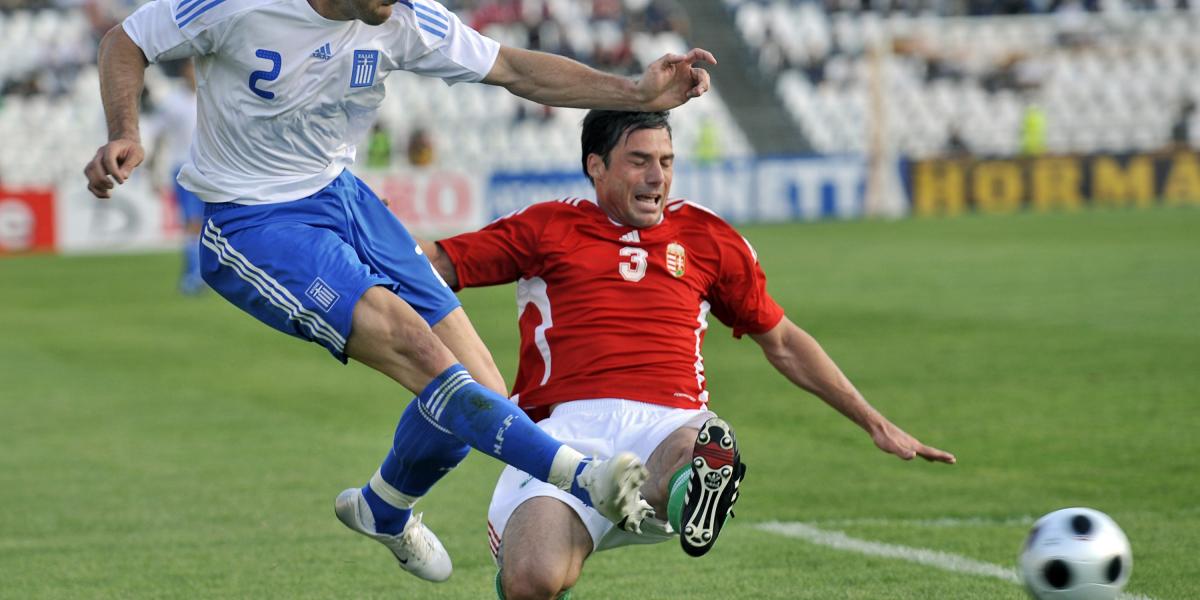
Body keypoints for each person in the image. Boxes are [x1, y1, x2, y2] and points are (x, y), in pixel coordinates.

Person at [82, 0, 718, 584]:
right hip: (257, 218)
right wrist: (125, 132)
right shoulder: (242, 4)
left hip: (345, 198)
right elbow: (126, 39)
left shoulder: (403, 17)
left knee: (481, 386)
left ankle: (383, 508)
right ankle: (580, 476)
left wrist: (632, 90)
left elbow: (514, 69)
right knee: (417, 349)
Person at [420, 110, 957, 600]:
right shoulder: (545, 227)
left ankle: (683, 488)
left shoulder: (707, 237)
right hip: (559, 433)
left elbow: (785, 342)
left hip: (668, 421)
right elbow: (436, 264)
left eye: (666, 161)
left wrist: (873, 421)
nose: (657, 177)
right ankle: (594, 509)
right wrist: (357, 244)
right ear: (596, 166)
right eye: (639, 161)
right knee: (532, 582)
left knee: (701, 447)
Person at [145, 58, 205, 294]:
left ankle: (199, 273)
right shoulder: (171, 102)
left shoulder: (209, 96)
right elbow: (158, 136)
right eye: (192, 68)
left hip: (211, 169)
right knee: (192, 224)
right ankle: (193, 276)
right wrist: (152, 170)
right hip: (183, 169)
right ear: (183, 72)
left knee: (205, 225)